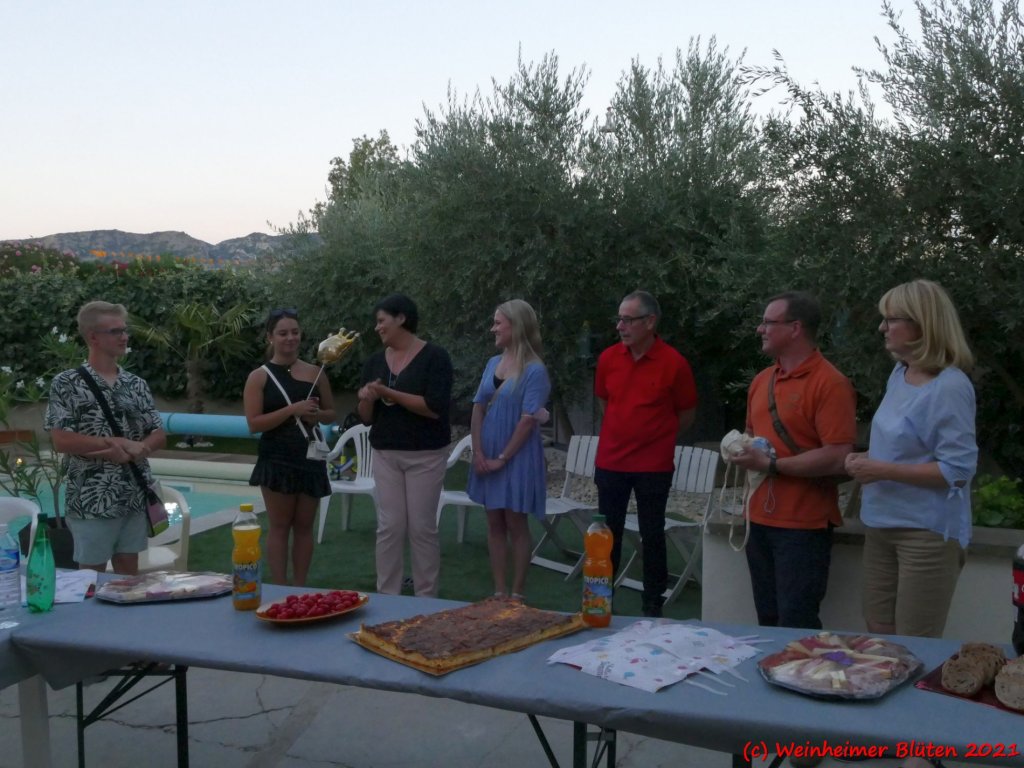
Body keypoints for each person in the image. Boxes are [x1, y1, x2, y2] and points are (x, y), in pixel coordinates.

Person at [845, 279, 976, 638]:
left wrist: (880, 469)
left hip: (925, 532)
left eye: (891, 319)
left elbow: (958, 470)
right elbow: (905, 447)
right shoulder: (899, 374)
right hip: (880, 524)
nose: (882, 327)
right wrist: (865, 460)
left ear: (922, 324)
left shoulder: (950, 386)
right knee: (879, 635)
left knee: (914, 643)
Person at [730, 291, 857, 630]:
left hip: (804, 527)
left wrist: (773, 466)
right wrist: (740, 450)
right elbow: (751, 435)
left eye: (768, 323)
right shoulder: (761, 380)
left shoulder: (831, 383)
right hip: (757, 520)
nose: (760, 329)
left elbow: (838, 455)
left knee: (796, 623)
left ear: (795, 328)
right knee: (768, 621)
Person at [594, 290, 698, 618]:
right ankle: (599, 603)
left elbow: (686, 413)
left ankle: (653, 606)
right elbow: (604, 401)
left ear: (650, 322)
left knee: (652, 534)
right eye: (619, 319)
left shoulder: (674, 364)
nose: (620, 326)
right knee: (606, 535)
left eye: (628, 320)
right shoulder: (608, 359)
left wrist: (656, 438)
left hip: (653, 466)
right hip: (611, 461)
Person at [45, 301, 167, 574]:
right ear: (93, 337)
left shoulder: (136, 384)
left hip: (133, 494)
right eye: (115, 331)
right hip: (92, 499)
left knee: (128, 578)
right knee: (91, 577)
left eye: (124, 330)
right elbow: (61, 440)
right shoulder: (67, 383)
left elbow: (159, 434)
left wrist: (141, 448)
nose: (124, 337)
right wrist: (115, 444)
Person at [357, 294, 452, 597]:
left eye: (381, 320)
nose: (377, 327)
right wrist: (367, 399)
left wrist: (389, 393)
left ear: (401, 318)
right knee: (390, 526)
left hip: (426, 455)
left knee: (422, 528)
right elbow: (366, 418)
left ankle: (426, 598)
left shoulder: (435, 357)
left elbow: (434, 408)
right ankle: (388, 595)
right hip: (386, 453)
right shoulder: (374, 361)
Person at [244, 308, 335, 586]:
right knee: (280, 526)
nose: (290, 338)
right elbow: (254, 423)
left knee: (305, 526)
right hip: (277, 458)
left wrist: (316, 416)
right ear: (270, 337)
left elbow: (331, 413)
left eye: (295, 332)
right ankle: (279, 587)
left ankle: (300, 586)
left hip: (310, 458)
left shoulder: (316, 372)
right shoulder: (259, 377)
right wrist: (292, 410)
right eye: (283, 333)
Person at [467, 299, 550, 601]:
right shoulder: (493, 363)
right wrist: (478, 452)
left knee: (516, 522)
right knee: (494, 521)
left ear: (516, 326)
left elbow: (527, 420)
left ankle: (517, 593)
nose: (493, 328)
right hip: (488, 452)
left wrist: (502, 459)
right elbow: (478, 407)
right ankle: (498, 591)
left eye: (498, 323)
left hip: (517, 455)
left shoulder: (535, 370)